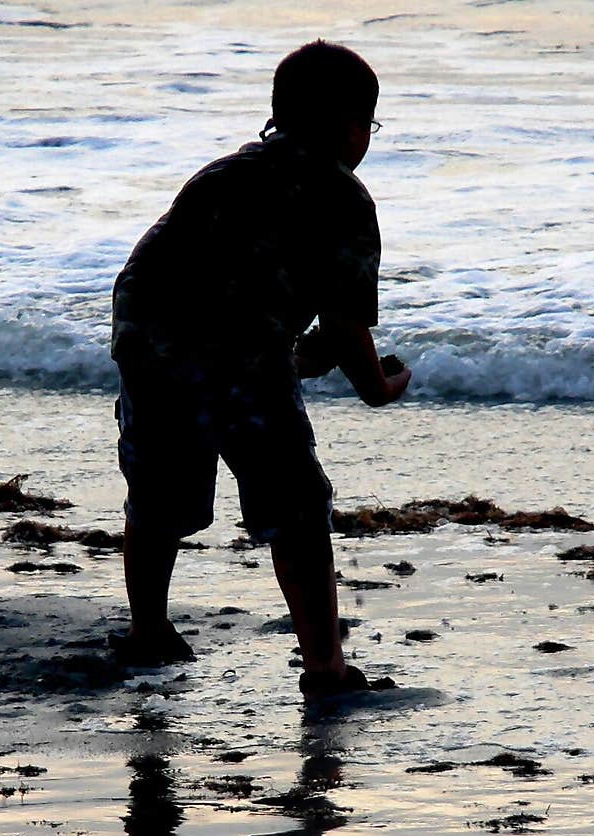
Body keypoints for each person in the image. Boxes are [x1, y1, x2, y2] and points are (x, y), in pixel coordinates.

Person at [109, 40, 411, 698]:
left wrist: (291, 359)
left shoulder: (222, 172)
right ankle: (327, 669)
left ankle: (149, 631)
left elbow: (217, 284)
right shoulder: (343, 196)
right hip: (234, 339)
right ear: (354, 129)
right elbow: (344, 324)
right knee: (296, 509)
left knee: (160, 491)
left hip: (146, 325)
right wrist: (378, 388)